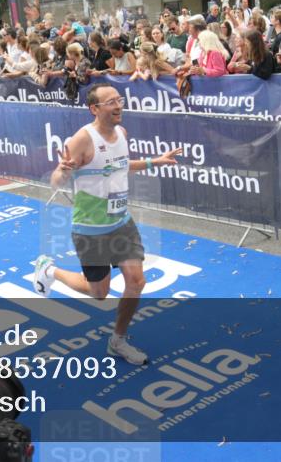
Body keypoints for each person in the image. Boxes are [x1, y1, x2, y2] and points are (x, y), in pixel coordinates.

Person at [33, 84, 182, 365]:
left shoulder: (122, 133)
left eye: (119, 100)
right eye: (111, 101)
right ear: (95, 109)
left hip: (121, 223)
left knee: (136, 282)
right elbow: (56, 180)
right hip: (91, 230)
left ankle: (118, 341)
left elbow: (120, 165)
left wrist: (156, 162)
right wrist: (62, 172)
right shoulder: (81, 139)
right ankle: (49, 270)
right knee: (99, 293)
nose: (118, 105)